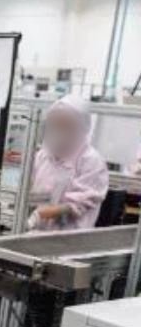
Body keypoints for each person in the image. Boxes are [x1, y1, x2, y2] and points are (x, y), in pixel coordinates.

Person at [27, 95, 109, 231]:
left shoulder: (91, 161)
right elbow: (35, 192)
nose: (58, 130)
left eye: (65, 125)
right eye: (55, 124)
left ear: (81, 128)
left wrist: (40, 214)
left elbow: (77, 205)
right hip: (36, 233)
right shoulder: (43, 155)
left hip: (69, 238)